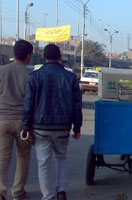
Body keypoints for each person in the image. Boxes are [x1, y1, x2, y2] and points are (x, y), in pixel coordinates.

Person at [23, 44, 82, 200]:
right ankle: (62, 191)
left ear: (44, 57)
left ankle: (47, 195)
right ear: (60, 57)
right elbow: (77, 105)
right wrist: (77, 127)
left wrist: (27, 127)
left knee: (43, 162)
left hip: (40, 127)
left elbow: (28, 104)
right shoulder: (71, 78)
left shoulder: (34, 77)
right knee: (61, 158)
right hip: (63, 127)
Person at [0, 40, 33, 200]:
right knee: (23, 155)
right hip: (23, 122)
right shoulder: (30, 75)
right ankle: (17, 191)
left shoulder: (1, 71)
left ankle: (1, 190)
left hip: (2, 120)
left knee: (2, 157)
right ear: (29, 55)